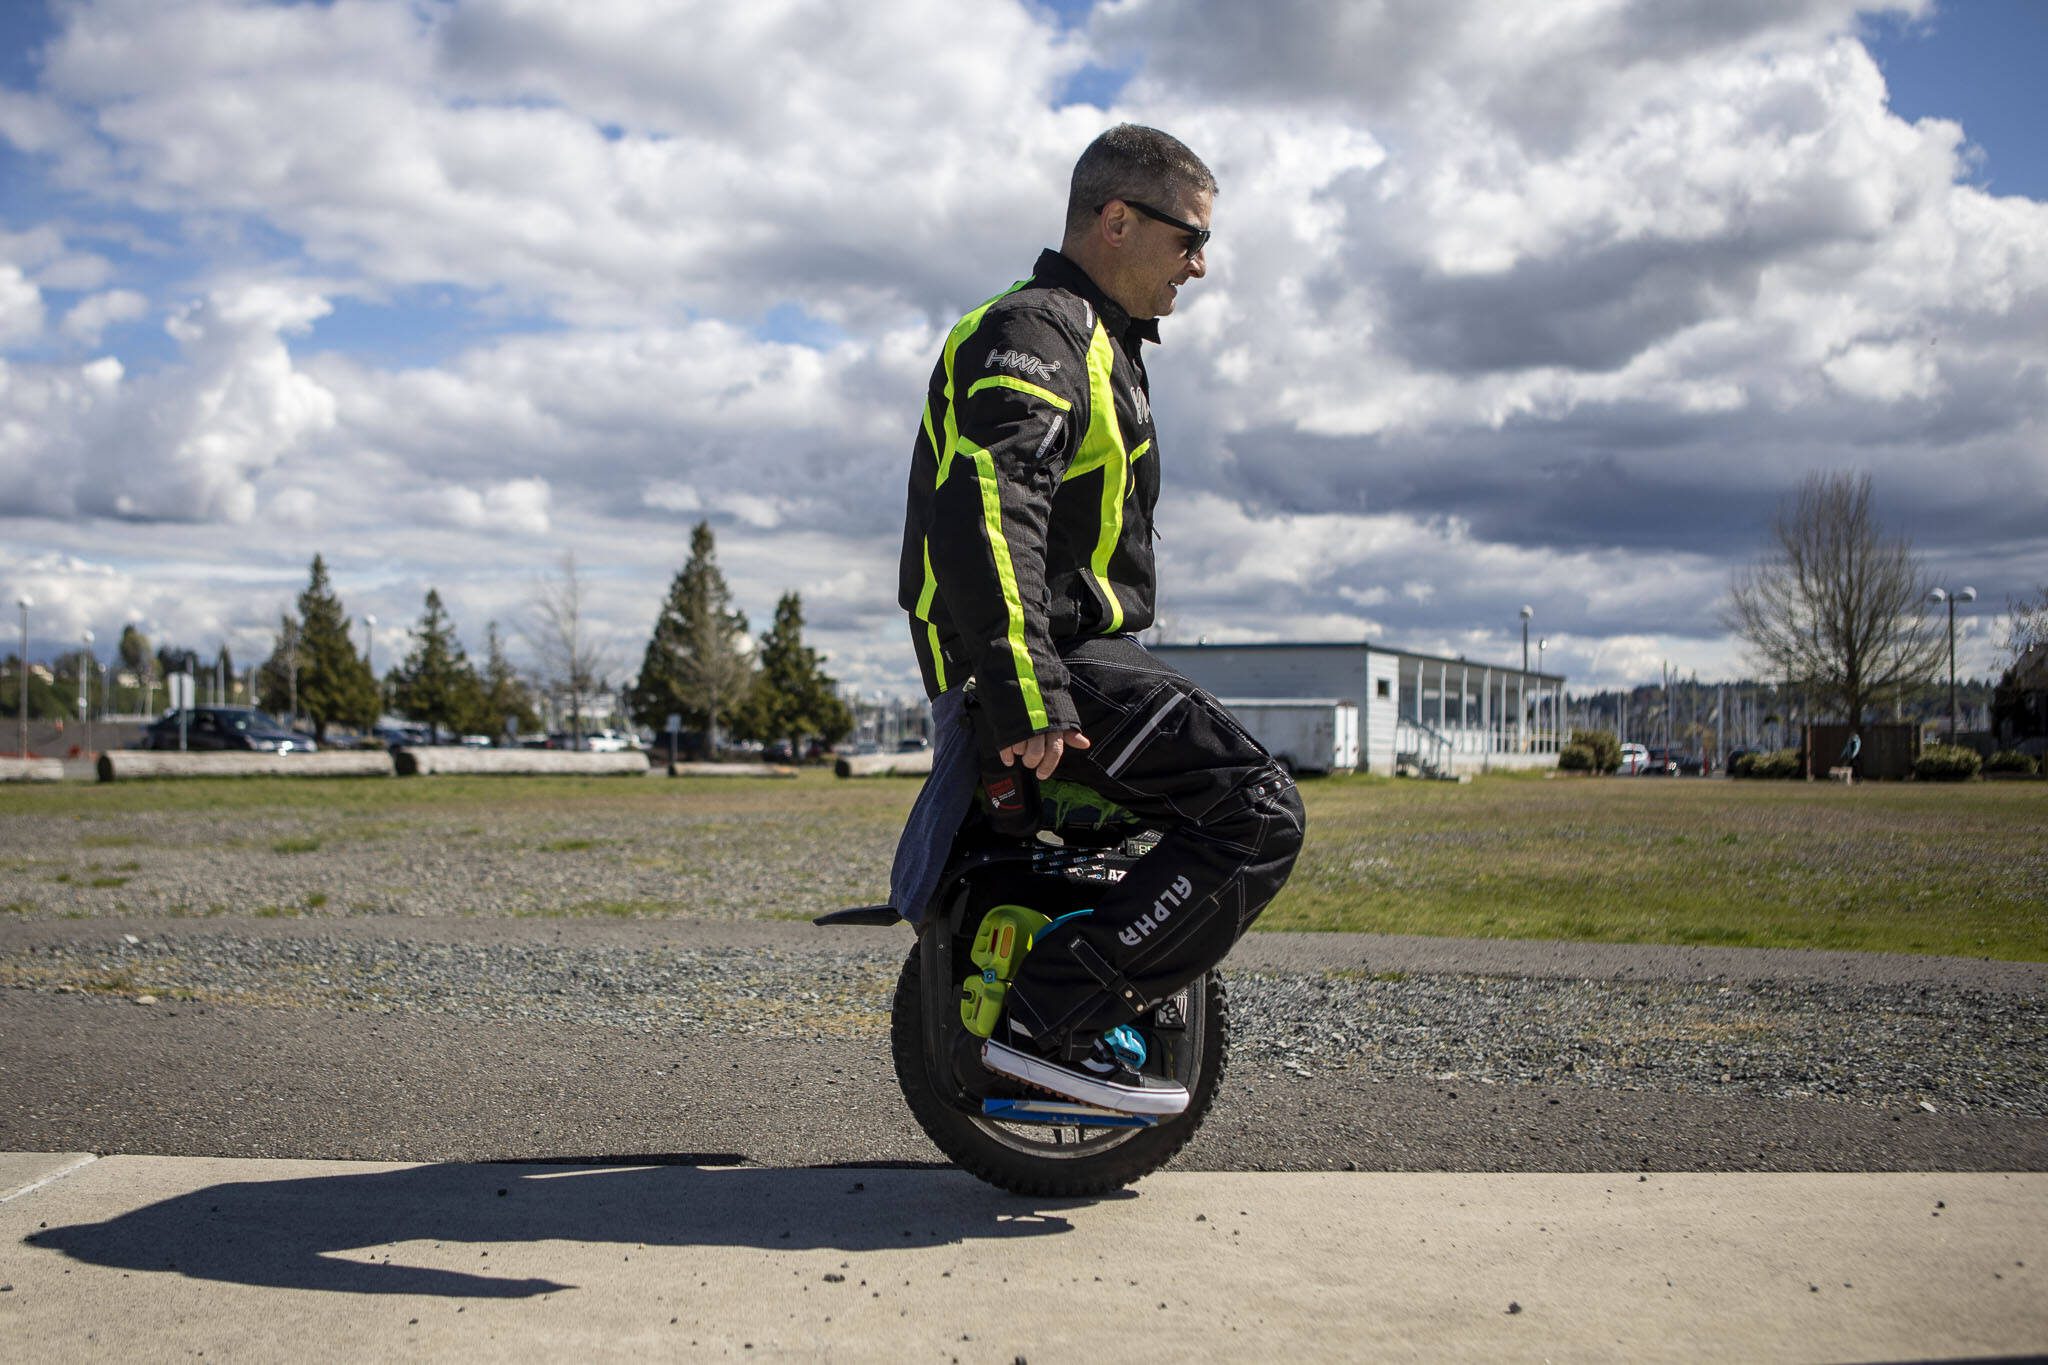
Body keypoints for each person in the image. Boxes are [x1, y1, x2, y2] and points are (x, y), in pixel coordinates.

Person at [895, 125, 1306, 1115]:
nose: (1199, 266)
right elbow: (991, 506)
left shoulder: (1099, 344)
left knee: (1219, 806)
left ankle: (1070, 999)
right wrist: (1024, 690)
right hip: (1052, 661)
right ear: (1117, 220)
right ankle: (1050, 1012)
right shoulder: (1039, 331)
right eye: (1187, 239)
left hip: (1073, 652)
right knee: (1256, 814)